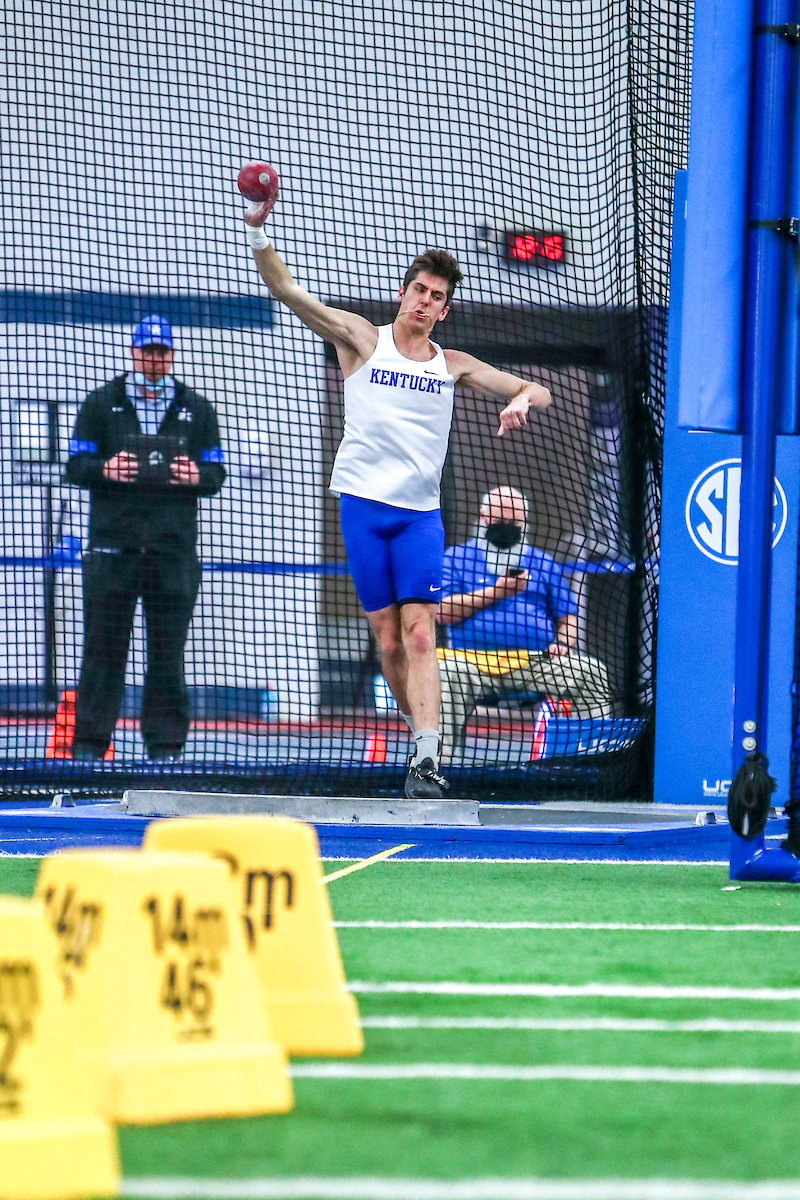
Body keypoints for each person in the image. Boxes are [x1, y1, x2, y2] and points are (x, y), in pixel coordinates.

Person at [243, 192, 551, 797]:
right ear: (403, 293)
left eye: (437, 297)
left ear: (444, 309)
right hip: (361, 509)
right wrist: (259, 229)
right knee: (386, 641)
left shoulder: (453, 363)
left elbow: (536, 389)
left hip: (418, 518)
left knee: (419, 633)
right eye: (419, 290)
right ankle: (420, 732)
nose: (425, 301)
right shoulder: (361, 339)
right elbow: (285, 289)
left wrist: (519, 400)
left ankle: (428, 760)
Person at [65, 315, 226, 761]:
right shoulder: (101, 404)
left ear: (170, 355)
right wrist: (104, 469)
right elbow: (75, 466)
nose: (154, 359)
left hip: (172, 554)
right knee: (103, 652)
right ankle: (89, 748)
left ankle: (166, 748)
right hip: (112, 551)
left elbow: (216, 473)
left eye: (162, 351)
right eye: (147, 350)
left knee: (167, 656)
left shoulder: (197, 409)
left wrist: (198, 476)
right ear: (134, 352)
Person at [437, 486, 613, 761]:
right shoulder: (456, 558)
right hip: (469, 663)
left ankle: (593, 759)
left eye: (513, 522)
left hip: (534, 663)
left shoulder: (542, 562)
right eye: (499, 520)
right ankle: (439, 764)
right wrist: (498, 592)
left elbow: (568, 617)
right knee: (443, 673)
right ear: (483, 518)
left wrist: (563, 643)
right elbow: (441, 611)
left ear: (524, 523)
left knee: (592, 672)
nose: (506, 527)